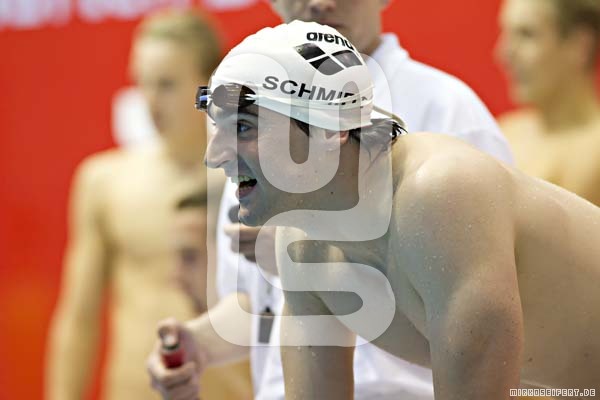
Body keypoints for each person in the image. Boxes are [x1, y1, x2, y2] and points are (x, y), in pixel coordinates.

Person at [200, 21, 599, 398]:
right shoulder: (302, 243)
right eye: (218, 128)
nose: (214, 156)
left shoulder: (439, 194)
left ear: (331, 128)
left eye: (244, 128)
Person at [147, 1, 515, 399]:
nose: (320, 3)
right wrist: (201, 345)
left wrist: (327, 259)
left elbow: (487, 320)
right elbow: (263, 307)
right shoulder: (248, 126)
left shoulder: (449, 120)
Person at [45, 9, 252, 400]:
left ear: (211, 83)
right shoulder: (106, 182)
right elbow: (79, 316)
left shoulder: (252, 182)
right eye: (143, 84)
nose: (151, 102)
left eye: (167, 85)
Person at [496, 0, 600, 205]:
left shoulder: (594, 151)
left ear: (580, 45)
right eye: (506, 34)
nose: (505, 54)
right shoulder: (505, 132)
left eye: (526, 35)